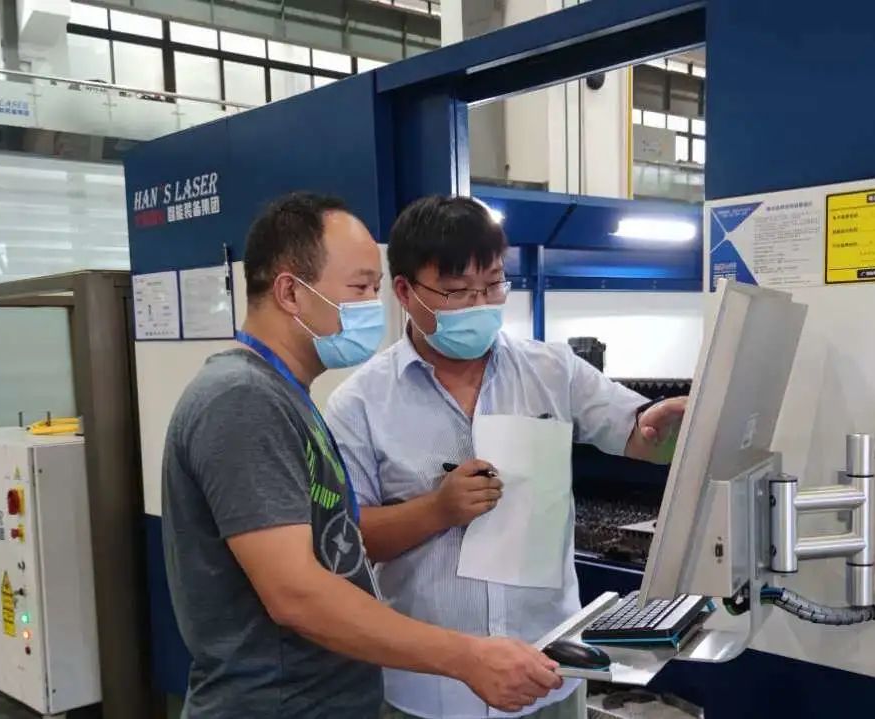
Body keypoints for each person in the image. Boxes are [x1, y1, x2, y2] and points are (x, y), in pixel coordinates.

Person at [162, 192, 562, 719]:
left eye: (375, 288)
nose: (374, 305)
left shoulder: (285, 399)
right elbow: (295, 594)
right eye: (360, 288)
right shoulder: (242, 399)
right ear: (290, 292)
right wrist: (467, 656)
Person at [325, 195, 688, 719]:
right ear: (405, 291)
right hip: (431, 693)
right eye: (456, 291)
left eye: (493, 285)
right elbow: (349, 540)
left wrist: (661, 428)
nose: (480, 305)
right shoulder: (359, 403)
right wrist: (437, 510)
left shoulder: (553, 370)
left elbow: (637, 432)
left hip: (548, 676)